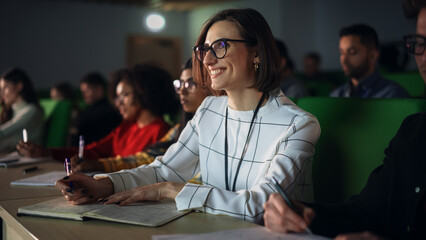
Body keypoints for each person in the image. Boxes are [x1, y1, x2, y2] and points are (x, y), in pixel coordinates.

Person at [55, 8, 320, 224]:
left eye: (221, 46)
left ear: (257, 52)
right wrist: (102, 186)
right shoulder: (208, 110)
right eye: (204, 49)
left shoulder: (297, 124)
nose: (207, 60)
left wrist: (171, 189)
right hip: (211, 229)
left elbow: (262, 207)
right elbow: (164, 170)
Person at [263, 1, 426, 239]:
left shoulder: (394, 95)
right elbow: (368, 211)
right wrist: (306, 213)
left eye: (352, 52)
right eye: (421, 43)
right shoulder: (413, 131)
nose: (424, 57)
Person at [18, 64, 179, 172]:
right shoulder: (127, 127)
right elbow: (92, 151)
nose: (118, 103)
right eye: (117, 97)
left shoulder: (161, 131)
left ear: (145, 93)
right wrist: (47, 152)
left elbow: (144, 170)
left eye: (124, 95)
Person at [83, 58, 210, 173]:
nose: (182, 91)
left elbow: (153, 163)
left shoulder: (160, 129)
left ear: (143, 94)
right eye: (180, 84)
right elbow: (150, 159)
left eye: (191, 83)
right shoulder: (178, 129)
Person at [330, 24, 409, 98]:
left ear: (373, 56)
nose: (344, 60)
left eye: (352, 52)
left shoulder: (393, 95)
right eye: (341, 53)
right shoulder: (336, 95)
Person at [0, 68, 44, 153]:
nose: (2, 94)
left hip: (27, 159)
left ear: (19, 86)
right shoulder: (13, 111)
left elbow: (4, 132)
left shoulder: (31, 110)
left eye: (5, 88)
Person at [72, 72, 122, 146]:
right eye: (82, 92)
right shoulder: (86, 111)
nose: (84, 95)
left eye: (87, 90)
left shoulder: (109, 112)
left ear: (99, 88)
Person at [50, 82, 80, 147]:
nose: (54, 101)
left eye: (57, 97)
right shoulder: (52, 114)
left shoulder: (74, 113)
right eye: (52, 98)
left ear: (65, 96)